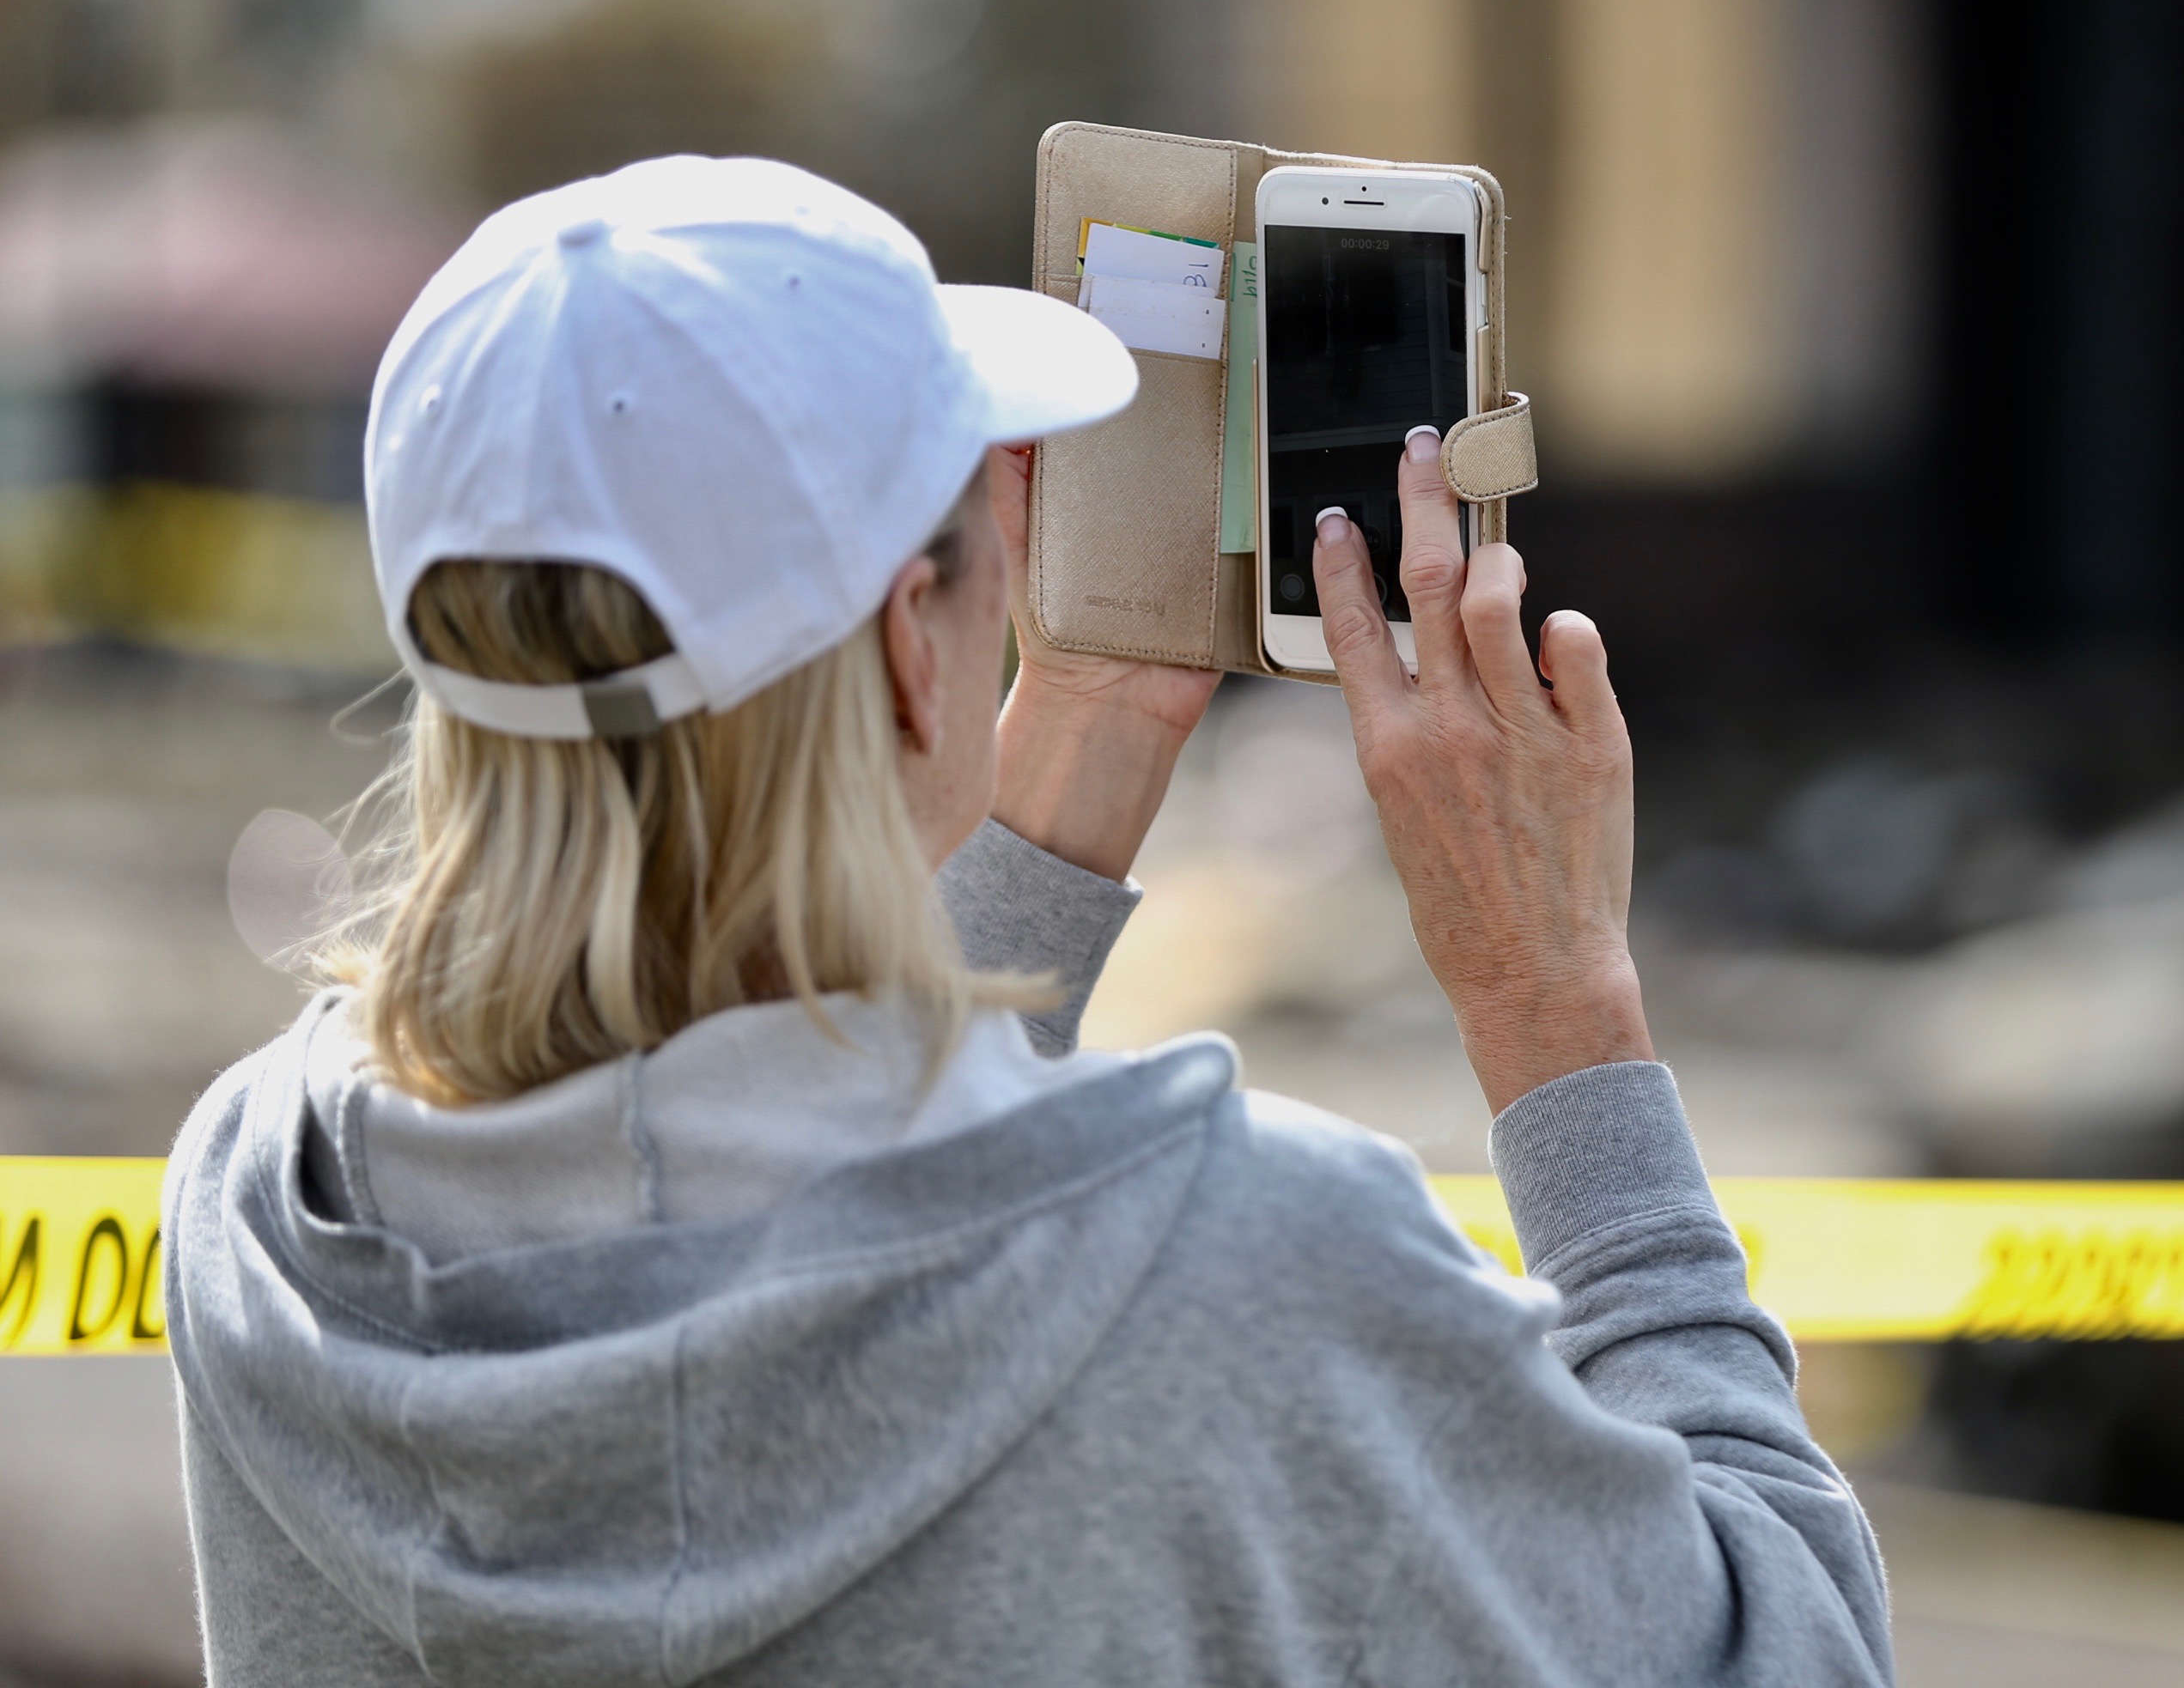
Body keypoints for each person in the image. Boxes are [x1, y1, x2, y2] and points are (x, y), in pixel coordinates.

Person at [162, 155, 1893, 1686]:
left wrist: (1064, 785)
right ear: (918, 644)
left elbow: (818, 1209)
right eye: (992, 524)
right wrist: (1556, 998)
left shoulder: (256, 1214)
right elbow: (1788, 1653)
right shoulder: (1249, 1274)